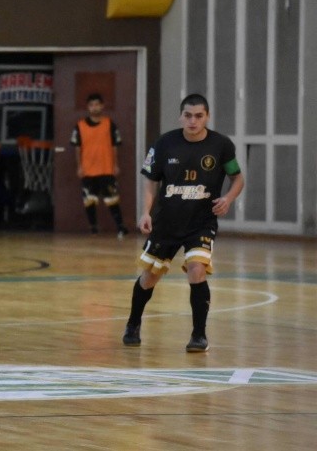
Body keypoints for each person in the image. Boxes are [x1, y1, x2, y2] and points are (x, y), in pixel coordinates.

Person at [122, 94, 244, 352]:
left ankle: (198, 336)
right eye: (188, 115)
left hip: (201, 222)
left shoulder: (222, 145)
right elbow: (150, 181)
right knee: (149, 278)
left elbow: (237, 178)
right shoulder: (164, 144)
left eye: (199, 115)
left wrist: (229, 198)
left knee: (197, 269)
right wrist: (146, 212)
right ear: (181, 116)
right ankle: (133, 323)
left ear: (207, 117)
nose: (193, 120)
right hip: (166, 223)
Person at [70, 93, 129, 238]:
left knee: (112, 199)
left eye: (97, 104)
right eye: (91, 105)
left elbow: (115, 146)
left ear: (102, 106)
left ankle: (121, 228)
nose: (94, 108)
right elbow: (77, 147)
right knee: (89, 201)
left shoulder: (110, 124)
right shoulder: (80, 126)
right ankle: (94, 229)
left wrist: (116, 164)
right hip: (88, 169)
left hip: (106, 168)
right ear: (88, 107)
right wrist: (79, 166)